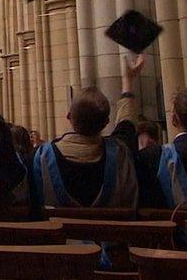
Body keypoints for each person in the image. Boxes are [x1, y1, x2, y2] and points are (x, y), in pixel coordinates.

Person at [31, 55, 146, 209]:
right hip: (110, 231)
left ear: (69, 116)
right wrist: (128, 81)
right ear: (106, 123)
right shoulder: (119, 151)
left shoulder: (41, 157)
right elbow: (127, 123)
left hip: (59, 232)